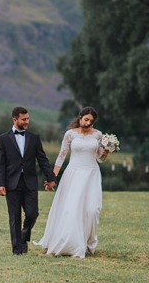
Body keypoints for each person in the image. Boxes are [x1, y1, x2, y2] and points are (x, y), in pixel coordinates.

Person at [33, 106, 109, 258]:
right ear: (80, 117)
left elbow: (100, 159)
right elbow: (61, 156)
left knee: (92, 210)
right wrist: (52, 177)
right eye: (86, 119)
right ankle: (72, 245)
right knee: (72, 210)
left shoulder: (98, 135)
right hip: (73, 174)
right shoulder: (70, 134)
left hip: (91, 174)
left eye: (91, 121)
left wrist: (106, 152)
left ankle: (89, 241)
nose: (88, 123)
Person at [0, 106, 57, 255]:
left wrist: (51, 177)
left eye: (28, 118)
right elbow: (0, 164)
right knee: (14, 216)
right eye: (24, 119)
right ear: (15, 119)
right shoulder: (3, 139)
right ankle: (17, 249)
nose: (27, 121)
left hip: (30, 182)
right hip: (11, 183)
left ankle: (24, 234)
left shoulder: (34, 138)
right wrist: (0, 184)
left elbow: (42, 159)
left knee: (32, 213)